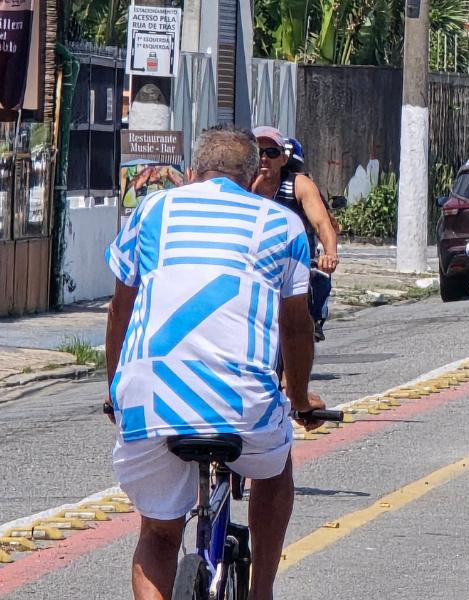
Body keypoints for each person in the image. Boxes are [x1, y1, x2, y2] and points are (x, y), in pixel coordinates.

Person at [103, 124, 325, 600]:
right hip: (244, 403)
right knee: (275, 467)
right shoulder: (279, 223)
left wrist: (114, 388)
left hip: (150, 397)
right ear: (252, 181)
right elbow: (296, 325)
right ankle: (262, 589)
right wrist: (301, 399)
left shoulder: (151, 209)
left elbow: (121, 308)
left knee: (159, 534)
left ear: (190, 174)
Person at [251, 126, 340, 341]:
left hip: (295, 264)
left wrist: (330, 253)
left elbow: (322, 224)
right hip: (255, 263)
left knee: (318, 281)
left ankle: (313, 322)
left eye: (271, 153)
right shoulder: (242, 186)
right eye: (258, 153)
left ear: (283, 159)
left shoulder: (299, 185)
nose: (264, 159)